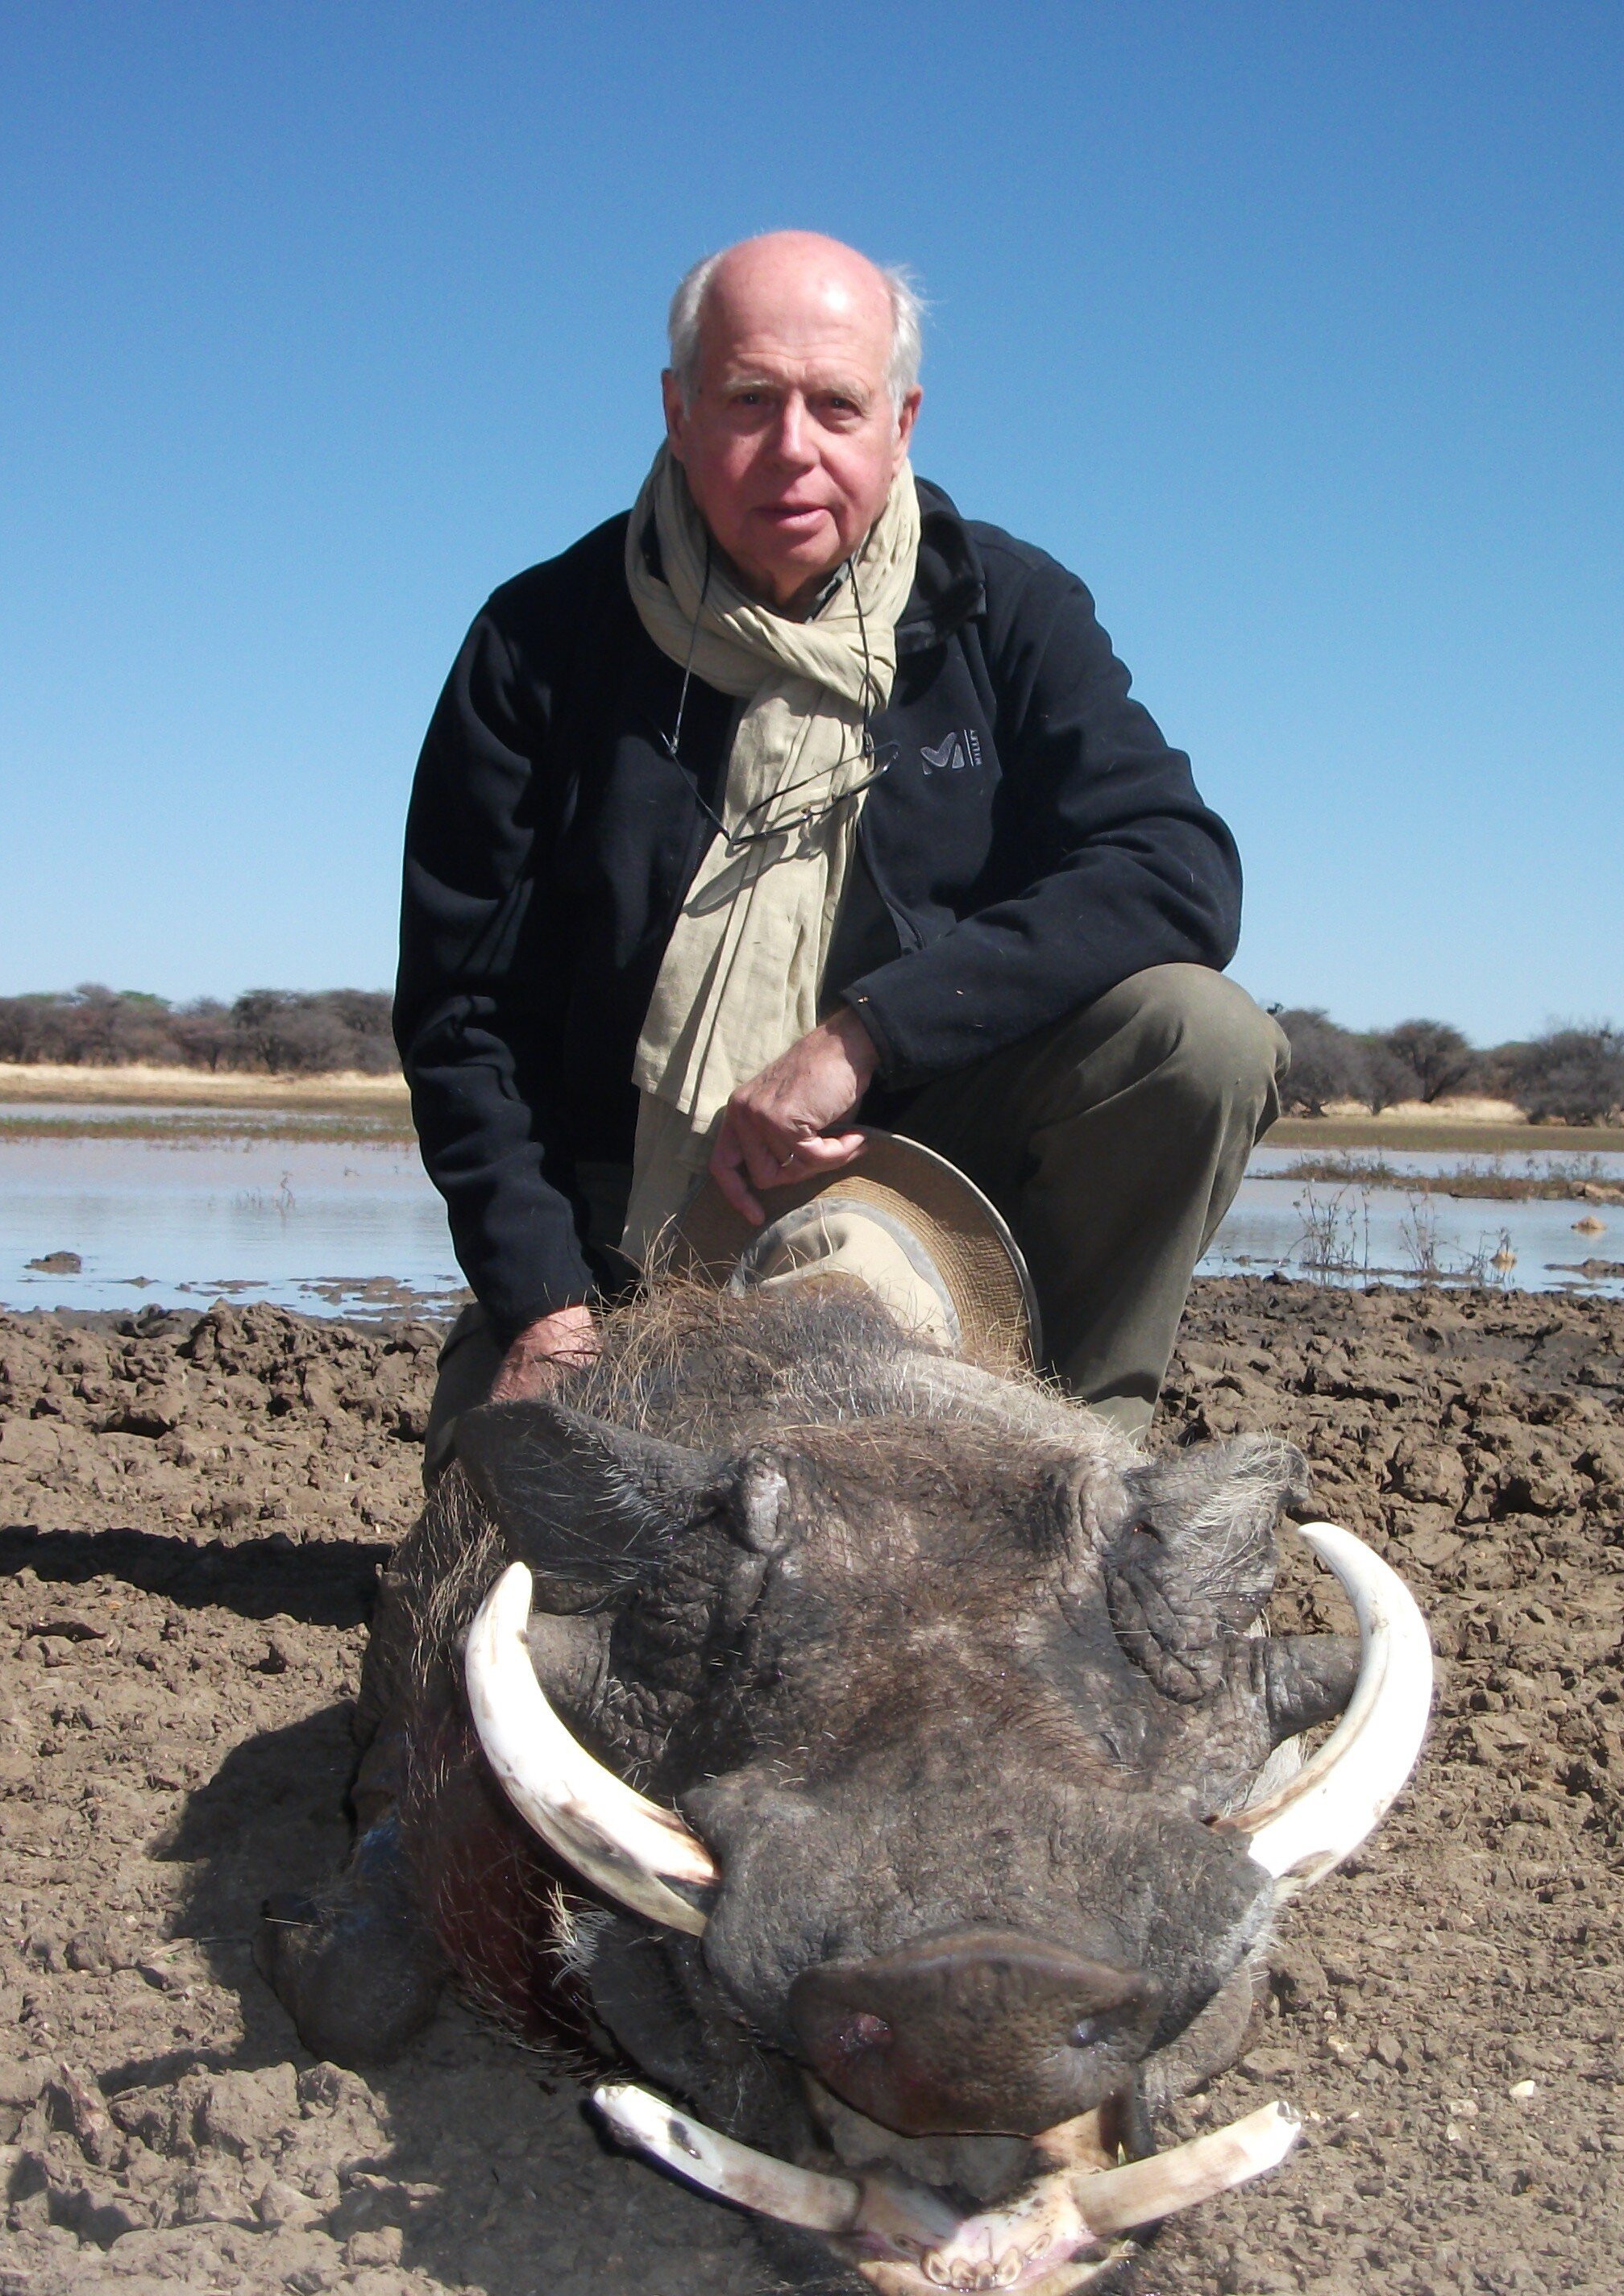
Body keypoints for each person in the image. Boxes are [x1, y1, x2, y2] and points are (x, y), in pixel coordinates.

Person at [396, 230, 1282, 1451]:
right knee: (517, 1528)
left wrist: (864, 1034)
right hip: (619, 1212)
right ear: (678, 408)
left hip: (926, 1174)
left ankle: (1083, 1452)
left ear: (903, 421)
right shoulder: (536, 642)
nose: (793, 447)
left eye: (838, 405)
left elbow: (1175, 868)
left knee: (1202, 1037)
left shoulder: (1010, 611)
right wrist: (546, 1313)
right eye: (750, 401)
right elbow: (463, 1017)